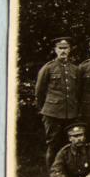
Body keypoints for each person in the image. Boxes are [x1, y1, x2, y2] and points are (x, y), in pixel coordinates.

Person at [35, 37, 80, 169]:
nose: (63, 51)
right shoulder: (48, 68)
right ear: (55, 50)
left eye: (65, 48)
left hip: (70, 113)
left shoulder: (75, 69)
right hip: (52, 113)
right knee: (53, 145)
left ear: (70, 50)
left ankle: (67, 173)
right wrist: (44, 109)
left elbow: (77, 91)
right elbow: (39, 92)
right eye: (60, 48)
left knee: (70, 144)